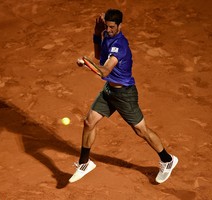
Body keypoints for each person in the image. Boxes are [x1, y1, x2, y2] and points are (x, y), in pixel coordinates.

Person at [69, 9, 178, 184]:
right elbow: (100, 57)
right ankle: (84, 163)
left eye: (112, 27)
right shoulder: (107, 35)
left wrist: (86, 62)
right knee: (89, 121)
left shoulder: (120, 45)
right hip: (110, 91)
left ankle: (167, 160)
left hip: (125, 94)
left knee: (140, 130)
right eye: (107, 27)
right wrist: (97, 35)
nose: (109, 30)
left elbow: (104, 70)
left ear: (120, 25)